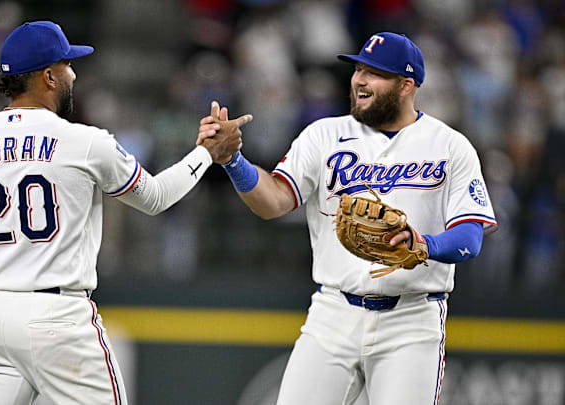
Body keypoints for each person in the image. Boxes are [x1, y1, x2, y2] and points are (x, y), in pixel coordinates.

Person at [0, 21, 251, 405]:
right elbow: (156, 198)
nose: (74, 73)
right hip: (56, 315)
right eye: (67, 65)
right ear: (48, 77)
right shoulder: (82, 141)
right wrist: (208, 154)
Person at [199, 32, 497, 404]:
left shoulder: (449, 145)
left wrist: (425, 245)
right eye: (358, 69)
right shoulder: (325, 135)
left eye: (375, 73)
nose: (360, 80)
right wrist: (233, 162)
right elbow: (274, 201)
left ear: (406, 85)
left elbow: (470, 238)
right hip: (333, 314)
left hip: (412, 320)